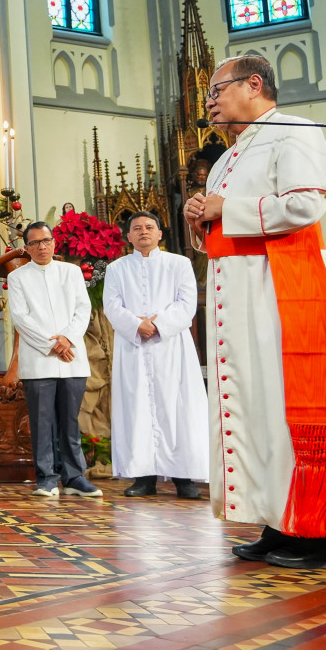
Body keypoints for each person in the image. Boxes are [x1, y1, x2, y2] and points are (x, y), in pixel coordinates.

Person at [185, 54, 326, 569]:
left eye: (216, 89)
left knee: (295, 404)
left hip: (283, 288)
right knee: (263, 409)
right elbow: (224, 233)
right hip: (243, 292)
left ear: (255, 84)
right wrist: (200, 218)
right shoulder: (229, 155)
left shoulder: (293, 131)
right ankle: (281, 520)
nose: (210, 101)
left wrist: (228, 209)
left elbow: (308, 204)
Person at [103, 212, 208, 499]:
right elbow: (111, 307)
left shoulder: (179, 263)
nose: (143, 232)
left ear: (160, 233)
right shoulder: (116, 268)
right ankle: (143, 477)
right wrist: (137, 325)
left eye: (149, 227)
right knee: (137, 407)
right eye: (136, 228)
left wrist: (158, 325)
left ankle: (183, 477)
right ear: (128, 236)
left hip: (171, 345)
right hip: (133, 346)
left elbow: (187, 303)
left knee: (177, 407)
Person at [6, 221, 102, 498]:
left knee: (71, 421)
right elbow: (21, 318)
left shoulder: (70, 272)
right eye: (34, 243)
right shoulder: (18, 277)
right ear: (27, 247)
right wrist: (52, 345)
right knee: (42, 422)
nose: (41, 246)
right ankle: (46, 478)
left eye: (46, 240)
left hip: (72, 357)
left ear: (54, 242)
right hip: (39, 359)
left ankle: (74, 478)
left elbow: (83, 309)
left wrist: (67, 339)